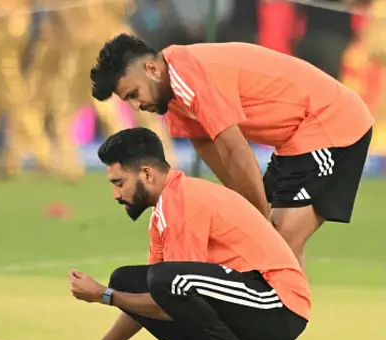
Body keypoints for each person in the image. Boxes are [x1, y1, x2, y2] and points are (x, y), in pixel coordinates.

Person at [53, 128, 310, 340]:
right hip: (251, 300)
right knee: (128, 281)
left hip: (279, 306)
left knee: (163, 281)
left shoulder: (185, 201)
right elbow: (153, 298)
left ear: (147, 174)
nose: (116, 194)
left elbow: (168, 298)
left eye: (119, 183)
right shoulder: (165, 209)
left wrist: (104, 296)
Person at [89, 33, 374, 271]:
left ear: (152, 69)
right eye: (129, 100)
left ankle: (276, 333)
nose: (137, 106)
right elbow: (207, 145)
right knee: (267, 247)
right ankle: (281, 332)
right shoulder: (170, 92)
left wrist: (258, 221)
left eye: (135, 94)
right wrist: (245, 212)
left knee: (272, 248)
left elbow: (236, 150)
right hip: (294, 139)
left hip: (330, 122)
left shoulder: (188, 74)